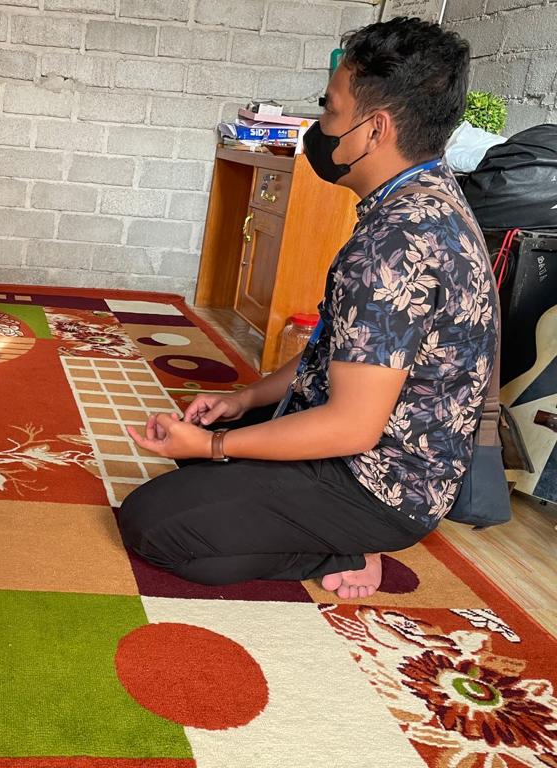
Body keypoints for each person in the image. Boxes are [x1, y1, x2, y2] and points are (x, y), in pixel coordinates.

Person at [118, 18, 498, 600]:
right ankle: (262, 484)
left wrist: (217, 448)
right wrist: (244, 400)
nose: (319, 128)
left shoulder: (396, 241)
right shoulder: (431, 195)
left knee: (155, 523)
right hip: (376, 447)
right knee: (197, 447)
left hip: (380, 484)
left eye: (330, 110)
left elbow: (351, 426)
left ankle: (348, 548)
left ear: (375, 129)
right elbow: (343, 353)